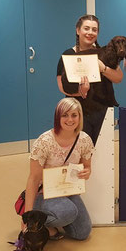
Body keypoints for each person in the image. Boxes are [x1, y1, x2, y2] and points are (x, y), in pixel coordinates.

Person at [23, 98, 94, 240]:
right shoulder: (44, 142)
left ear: (80, 117)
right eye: (65, 115)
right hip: (45, 192)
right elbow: (33, 178)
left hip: (68, 191)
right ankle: (38, 223)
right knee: (69, 212)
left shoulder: (84, 139)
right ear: (58, 117)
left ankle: (53, 219)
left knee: (83, 232)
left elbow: (87, 167)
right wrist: (27, 215)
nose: (70, 119)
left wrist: (86, 172)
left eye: (74, 115)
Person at [56, 14, 123, 144]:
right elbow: (62, 87)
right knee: (80, 153)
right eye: (86, 28)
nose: (90, 33)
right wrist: (80, 92)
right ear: (78, 30)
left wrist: (103, 68)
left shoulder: (105, 53)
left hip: (102, 110)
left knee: (102, 154)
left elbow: (118, 78)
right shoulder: (68, 55)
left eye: (94, 29)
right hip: (76, 112)